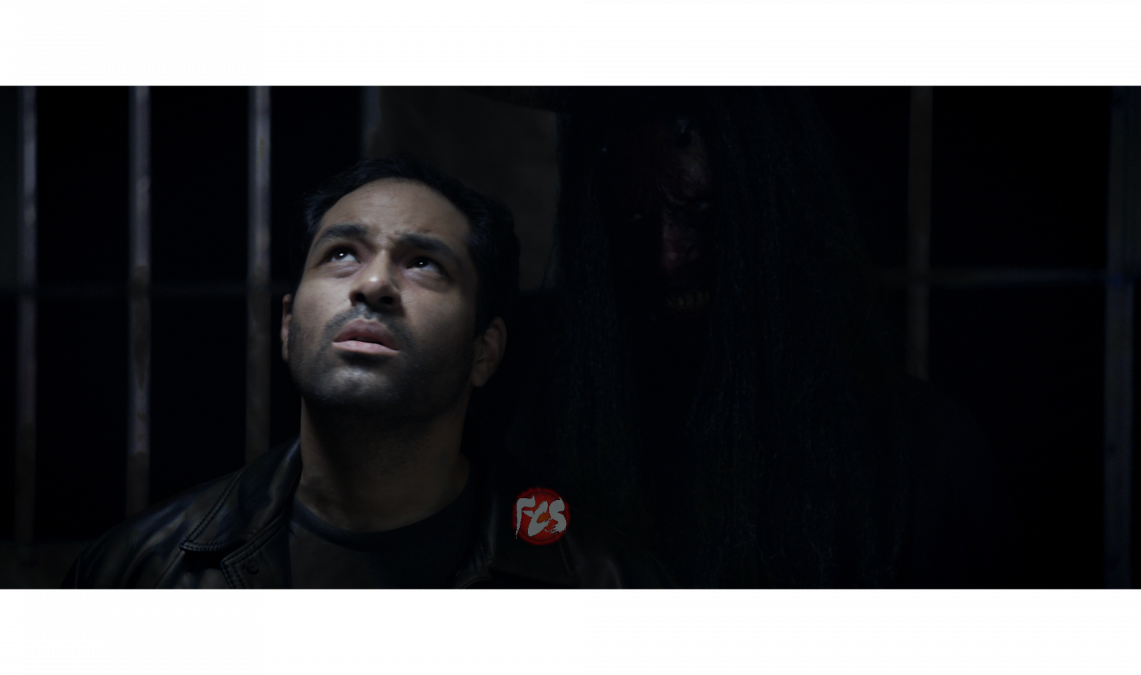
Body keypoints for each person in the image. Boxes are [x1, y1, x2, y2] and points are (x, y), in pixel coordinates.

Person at [62, 155, 669, 590]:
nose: (373, 283)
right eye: (341, 254)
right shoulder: (142, 568)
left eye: (424, 263)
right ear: (288, 325)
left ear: (484, 350)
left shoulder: (599, 574)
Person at [505, 85, 1017, 589]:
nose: (667, 257)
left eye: (699, 215)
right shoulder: (556, 446)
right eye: (632, 222)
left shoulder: (926, 461)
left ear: (773, 216)